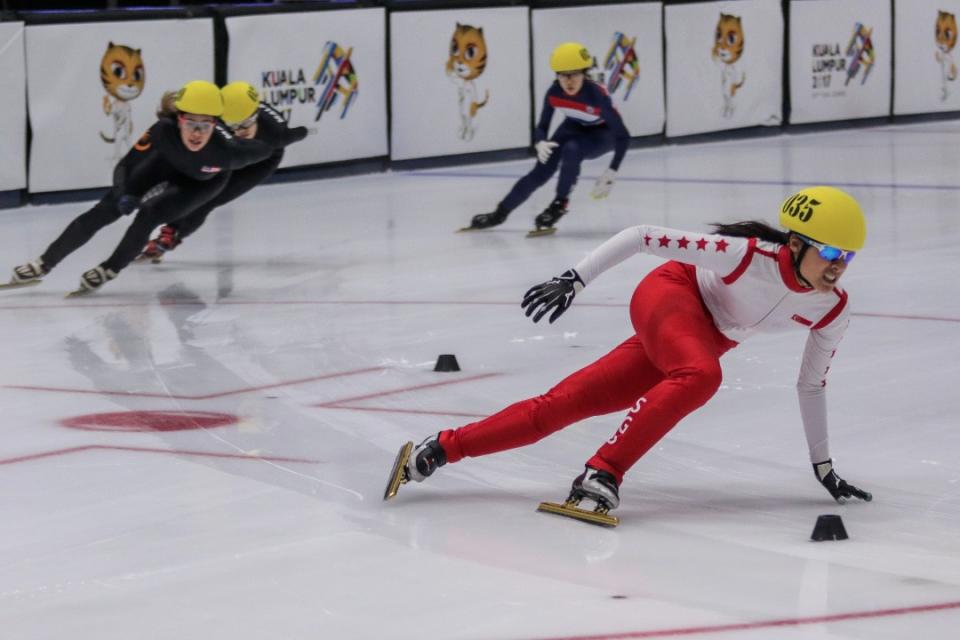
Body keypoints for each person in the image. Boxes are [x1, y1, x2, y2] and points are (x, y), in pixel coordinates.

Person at [388, 186, 873, 521]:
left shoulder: (832, 310)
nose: (839, 268)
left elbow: (811, 384)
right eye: (831, 255)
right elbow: (643, 236)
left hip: (695, 340)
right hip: (671, 296)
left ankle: (438, 447)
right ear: (795, 244)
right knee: (702, 375)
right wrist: (574, 277)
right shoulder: (743, 254)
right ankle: (603, 471)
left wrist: (823, 466)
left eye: (847, 258)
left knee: (559, 407)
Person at [6, 80, 272, 294]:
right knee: (107, 208)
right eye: (191, 123)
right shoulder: (162, 131)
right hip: (163, 166)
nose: (197, 133)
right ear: (178, 120)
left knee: (150, 215)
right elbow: (127, 165)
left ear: (215, 125)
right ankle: (43, 264)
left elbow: (266, 150)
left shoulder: (229, 152)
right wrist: (125, 193)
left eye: (205, 126)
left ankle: (111, 268)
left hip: (203, 183)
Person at [462, 42, 630, 234]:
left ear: (584, 73)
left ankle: (559, 204)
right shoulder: (554, 92)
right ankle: (499, 214)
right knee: (540, 171)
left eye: (574, 74)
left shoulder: (596, 96)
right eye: (563, 75)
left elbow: (623, 136)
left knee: (572, 148)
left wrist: (612, 170)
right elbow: (542, 126)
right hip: (574, 125)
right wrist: (540, 141)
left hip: (603, 133)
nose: (569, 81)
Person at [138, 81, 309, 263]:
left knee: (210, 199)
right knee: (200, 187)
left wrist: (303, 131)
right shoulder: (216, 118)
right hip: (230, 151)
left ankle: (170, 235)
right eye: (232, 126)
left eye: (246, 124)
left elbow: (301, 132)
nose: (240, 131)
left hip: (262, 161)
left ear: (256, 116)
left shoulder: (277, 134)